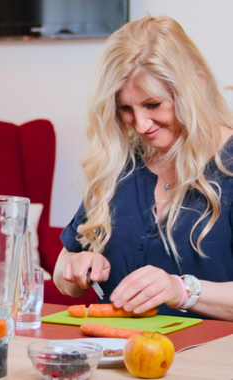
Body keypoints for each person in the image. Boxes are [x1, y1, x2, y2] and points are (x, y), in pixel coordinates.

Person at [53, 15, 233, 321]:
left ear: (197, 85)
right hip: (115, 357)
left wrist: (182, 290)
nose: (141, 124)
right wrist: (74, 268)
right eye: (126, 108)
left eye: (153, 104)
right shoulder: (121, 163)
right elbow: (62, 271)